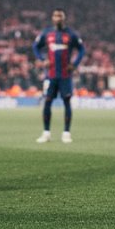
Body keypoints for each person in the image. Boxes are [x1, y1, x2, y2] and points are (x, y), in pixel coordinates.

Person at [32, 8, 86, 143]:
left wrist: (75, 64)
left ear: (64, 18)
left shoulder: (71, 34)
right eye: (56, 16)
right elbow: (35, 46)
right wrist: (42, 59)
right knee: (47, 101)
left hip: (65, 75)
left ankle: (66, 133)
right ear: (52, 18)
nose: (58, 18)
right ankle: (46, 133)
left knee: (67, 102)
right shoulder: (47, 33)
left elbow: (82, 49)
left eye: (60, 16)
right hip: (50, 75)